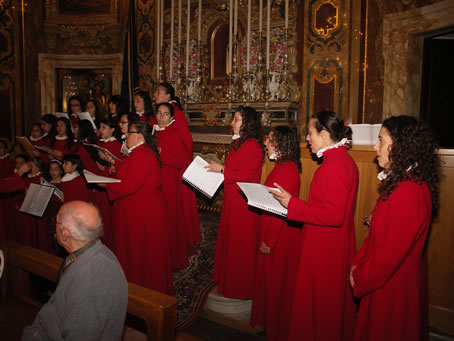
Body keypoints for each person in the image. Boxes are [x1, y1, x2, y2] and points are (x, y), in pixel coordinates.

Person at [349, 116, 440, 341]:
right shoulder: (406, 182)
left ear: (399, 145)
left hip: (391, 291)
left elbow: (388, 258)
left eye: (381, 140)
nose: (375, 146)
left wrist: (360, 275)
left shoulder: (408, 193)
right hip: (388, 283)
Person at [272, 111, 358, 341]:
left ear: (324, 134)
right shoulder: (340, 161)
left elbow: (333, 215)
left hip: (325, 249)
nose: (307, 138)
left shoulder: (334, 167)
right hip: (331, 244)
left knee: (320, 308)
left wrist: (293, 204)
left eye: (310, 133)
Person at [21, 201, 128, 341]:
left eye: (56, 221)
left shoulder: (94, 275)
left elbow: (81, 334)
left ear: (65, 233)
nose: (55, 225)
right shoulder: (88, 250)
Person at [106, 121, 174, 295]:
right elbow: (133, 171)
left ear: (139, 136)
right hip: (141, 208)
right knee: (140, 253)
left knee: (141, 253)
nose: (126, 136)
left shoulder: (142, 155)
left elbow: (131, 185)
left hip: (143, 212)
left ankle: (142, 292)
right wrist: (116, 165)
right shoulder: (140, 153)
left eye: (129, 132)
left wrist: (105, 185)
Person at [250, 126, 302, 341]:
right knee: (271, 284)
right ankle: (272, 325)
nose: (265, 143)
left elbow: (280, 211)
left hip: (280, 238)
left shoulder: (287, 169)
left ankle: (278, 329)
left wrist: (269, 241)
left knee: (277, 285)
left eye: (270, 140)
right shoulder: (281, 166)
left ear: (282, 142)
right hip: (273, 231)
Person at [206, 106, 263, 299]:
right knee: (230, 242)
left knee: (240, 246)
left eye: (236, 119)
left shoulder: (253, 145)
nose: (232, 123)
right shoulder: (239, 143)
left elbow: (247, 176)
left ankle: (239, 287)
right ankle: (227, 281)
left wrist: (222, 170)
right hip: (233, 200)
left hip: (243, 203)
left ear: (247, 123)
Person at [154, 83, 200, 246]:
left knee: (177, 207)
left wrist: (185, 166)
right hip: (167, 168)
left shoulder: (176, 114)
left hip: (176, 168)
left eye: (158, 92)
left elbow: (186, 141)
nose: (155, 95)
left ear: (168, 96)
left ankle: (179, 239)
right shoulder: (160, 121)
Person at [153, 102, 189, 269]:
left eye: (165, 114)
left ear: (172, 118)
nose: (161, 117)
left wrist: (161, 153)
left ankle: (172, 259)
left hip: (169, 182)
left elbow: (179, 161)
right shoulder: (153, 132)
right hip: (155, 180)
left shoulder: (174, 133)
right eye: (159, 113)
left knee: (169, 219)